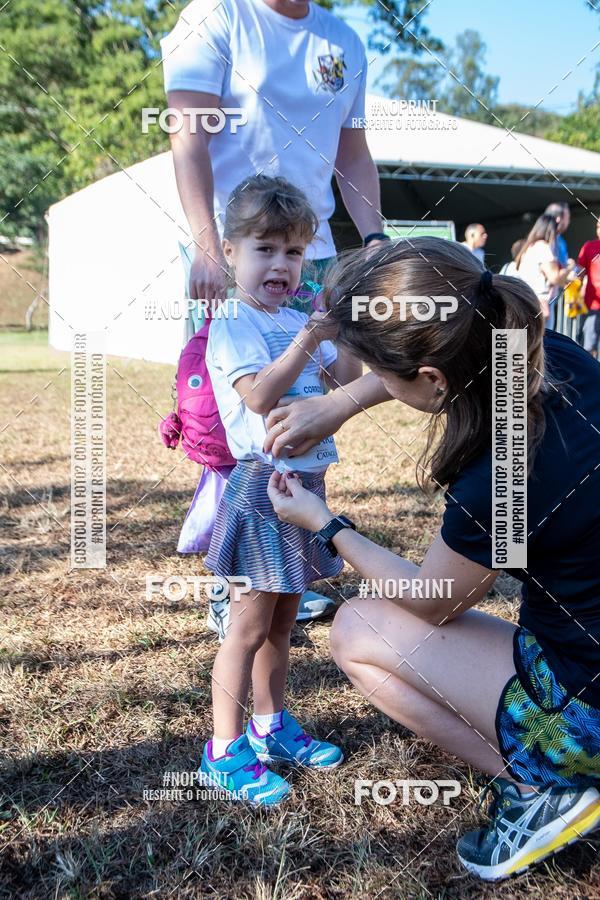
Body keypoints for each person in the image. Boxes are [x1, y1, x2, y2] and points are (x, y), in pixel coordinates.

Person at [264, 237, 600, 879]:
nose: (369, 384)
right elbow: (436, 364)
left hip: (592, 705)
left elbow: (432, 601)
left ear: (433, 380)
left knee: (357, 629)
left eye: (374, 373)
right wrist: (339, 404)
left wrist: (326, 524)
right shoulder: (546, 357)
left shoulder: (498, 473)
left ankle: (540, 793)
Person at [160, 0, 390, 629]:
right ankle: (232, 573)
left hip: (309, 254)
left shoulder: (341, 38)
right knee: (227, 420)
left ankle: (293, 564)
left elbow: (353, 155)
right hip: (235, 248)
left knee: (306, 412)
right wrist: (210, 247)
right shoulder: (216, 17)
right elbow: (188, 135)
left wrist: (374, 242)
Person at [198, 175, 362, 805]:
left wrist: (339, 327)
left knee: (283, 624)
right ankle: (223, 749)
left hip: (305, 488)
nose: (281, 264)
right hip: (260, 489)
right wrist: (308, 337)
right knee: (245, 625)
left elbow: (345, 381)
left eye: (294, 252)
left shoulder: (301, 319)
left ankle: (270, 727)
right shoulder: (233, 320)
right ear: (231, 251)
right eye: (264, 248)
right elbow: (260, 396)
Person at [515, 214, 570, 329]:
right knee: (538, 343)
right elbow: (555, 277)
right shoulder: (543, 248)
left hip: (525, 301)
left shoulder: (529, 247)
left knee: (519, 344)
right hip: (539, 304)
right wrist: (569, 268)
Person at [577, 218, 600, 358]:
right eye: (598, 225)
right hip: (592, 306)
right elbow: (579, 273)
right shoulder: (589, 246)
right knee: (588, 347)